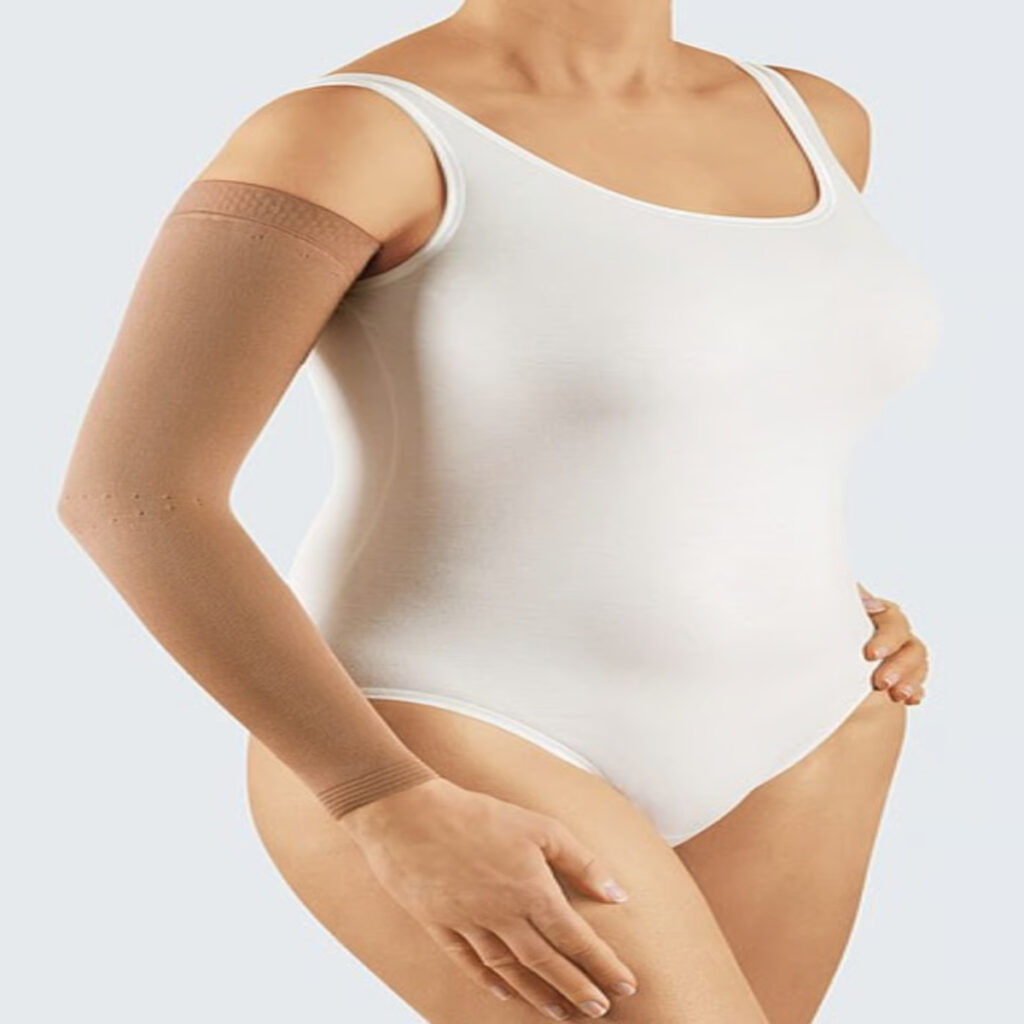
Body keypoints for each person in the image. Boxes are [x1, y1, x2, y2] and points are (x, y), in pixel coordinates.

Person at [57, 3, 939, 1021]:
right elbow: (133, 495)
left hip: (815, 719)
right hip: (452, 729)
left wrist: (806, 591)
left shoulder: (816, 120)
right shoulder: (356, 133)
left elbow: (737, 406)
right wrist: (380, 798)